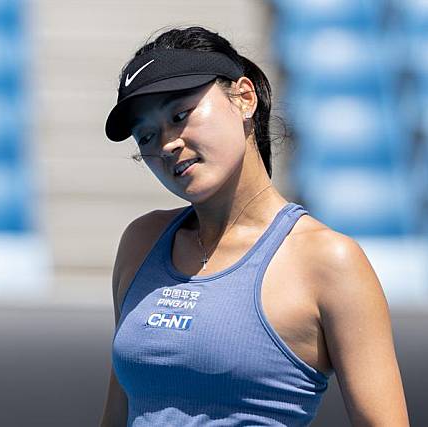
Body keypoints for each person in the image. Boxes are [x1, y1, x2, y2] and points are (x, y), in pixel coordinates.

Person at [99, 26, 409, 427]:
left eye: (180, 115)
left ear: (244, 98)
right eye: (146, 136)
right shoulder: (140, 242)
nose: (166, 145)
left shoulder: (329, 260)